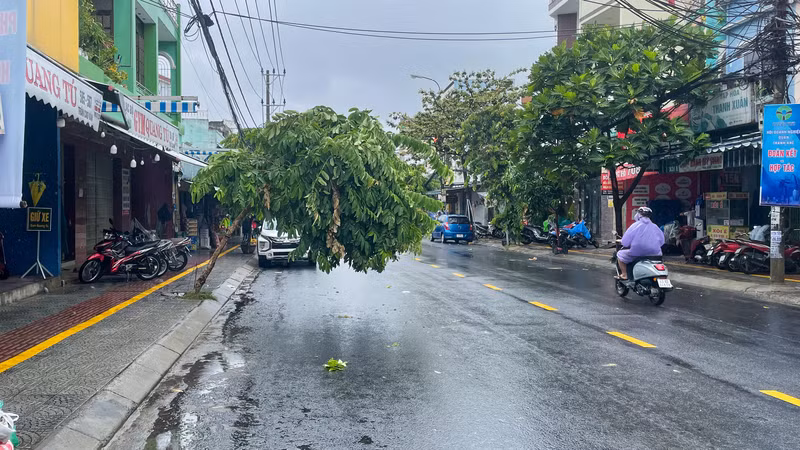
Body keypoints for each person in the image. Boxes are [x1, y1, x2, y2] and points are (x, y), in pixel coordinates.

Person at [616, 207, 664, 280]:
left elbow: (625, 242)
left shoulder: (635, 225)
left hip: (637, 253)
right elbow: (662, 241)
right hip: (656, 254)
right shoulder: (655, 226)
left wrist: (623, 242)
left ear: (639, 215)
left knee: (620, 254)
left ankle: (624, 274)